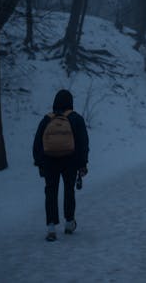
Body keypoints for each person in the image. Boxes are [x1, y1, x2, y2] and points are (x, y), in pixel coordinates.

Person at [33, 89, 89, 241]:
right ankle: (69, 223)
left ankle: (51, 228)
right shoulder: (75, 119)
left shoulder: (47, 119)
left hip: (49, 161)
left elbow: (37, 143)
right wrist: (83, 164)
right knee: (69, 190)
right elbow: (83, 143)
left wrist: (39, 163)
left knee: (50, 191)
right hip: (70, 160)